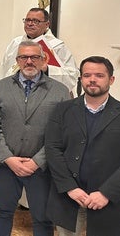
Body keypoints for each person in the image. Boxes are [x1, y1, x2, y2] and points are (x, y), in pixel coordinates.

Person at [0, 40, 70, 236]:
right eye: (24, 57)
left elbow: (62, 132)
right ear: (17, 60)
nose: (29, 61)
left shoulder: (59, 91)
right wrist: (8, 158)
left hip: (42, 167)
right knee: (3, 212)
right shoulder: (0, 87)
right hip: (7, 165)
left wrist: (37, 161)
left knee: (43, 217)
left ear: (44, 60)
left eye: (34, 57)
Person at [45, 56, 120, 236]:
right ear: (81, 79)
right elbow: (53, 149)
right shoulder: (62, 110)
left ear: (111, 80)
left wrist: (106, 193)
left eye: (99, 75)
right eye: (87, 75)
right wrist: (70, 187)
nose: (92, 79)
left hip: (109, 200)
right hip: (69, 197)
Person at [0, 8, 79, 93]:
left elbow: (71, 76)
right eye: (27, 20)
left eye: (35, 21)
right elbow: (3, 70)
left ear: (47, 24)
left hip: (45, 95)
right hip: (15, 93)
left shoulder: (57, 47)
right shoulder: (16, 43)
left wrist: (47, 69)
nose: (30, 24)